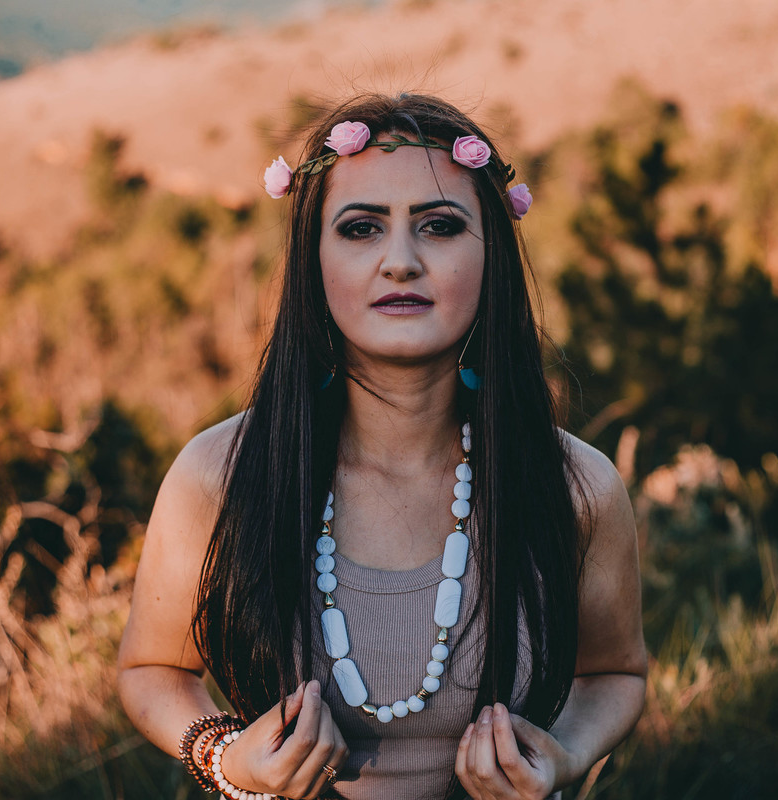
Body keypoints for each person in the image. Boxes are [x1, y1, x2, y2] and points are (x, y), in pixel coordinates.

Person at [117, 93, 647, 800]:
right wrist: (228, 759)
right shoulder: (220, 476)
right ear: (314, 262)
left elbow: (616, 673)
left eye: (440, 226)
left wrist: (563, 756)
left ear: (493, 256)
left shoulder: (574, 485)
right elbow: (151, 669)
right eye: (362, 228)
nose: (400, 261)